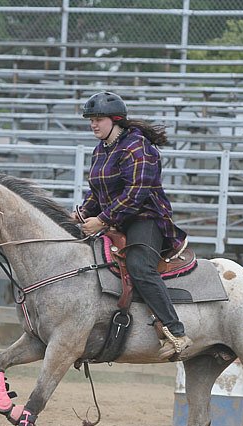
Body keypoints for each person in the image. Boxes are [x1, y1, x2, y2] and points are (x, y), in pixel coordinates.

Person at [76, 91, 191, 360]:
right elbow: (97, 192)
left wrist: (102, 220)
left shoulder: (137, 146)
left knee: (140, 266)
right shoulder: (101, 149)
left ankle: (177, 331)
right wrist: (81, 214)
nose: (93, 124)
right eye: (90, 119)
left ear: (115, 120)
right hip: (118, 219)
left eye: (99, 119)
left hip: (146, 219)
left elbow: (136, 192)